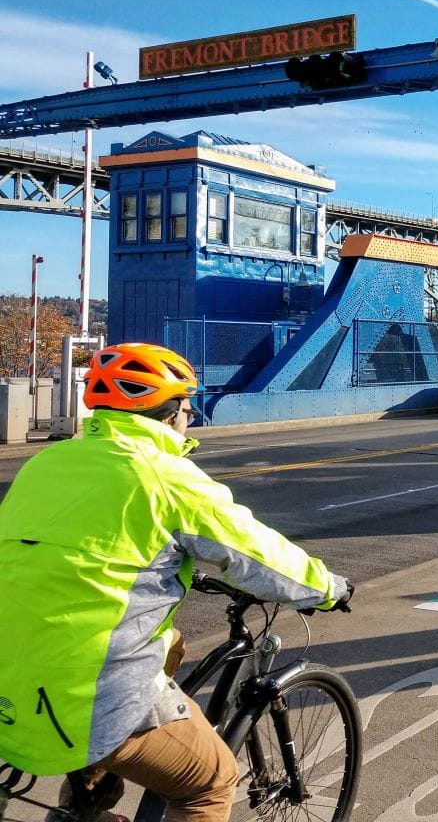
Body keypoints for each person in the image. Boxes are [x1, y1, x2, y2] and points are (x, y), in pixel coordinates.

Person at [0, 342, 351, 822]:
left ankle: (86, 799)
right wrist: (329, 588)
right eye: (189, 407)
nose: (191, 418)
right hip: (81, 700)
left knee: (171, 641)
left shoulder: (46, 464)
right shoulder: (166, 476)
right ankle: (94, 779)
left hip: (10, 674)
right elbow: (259, 556)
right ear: (168, 414)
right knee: (209, 784)